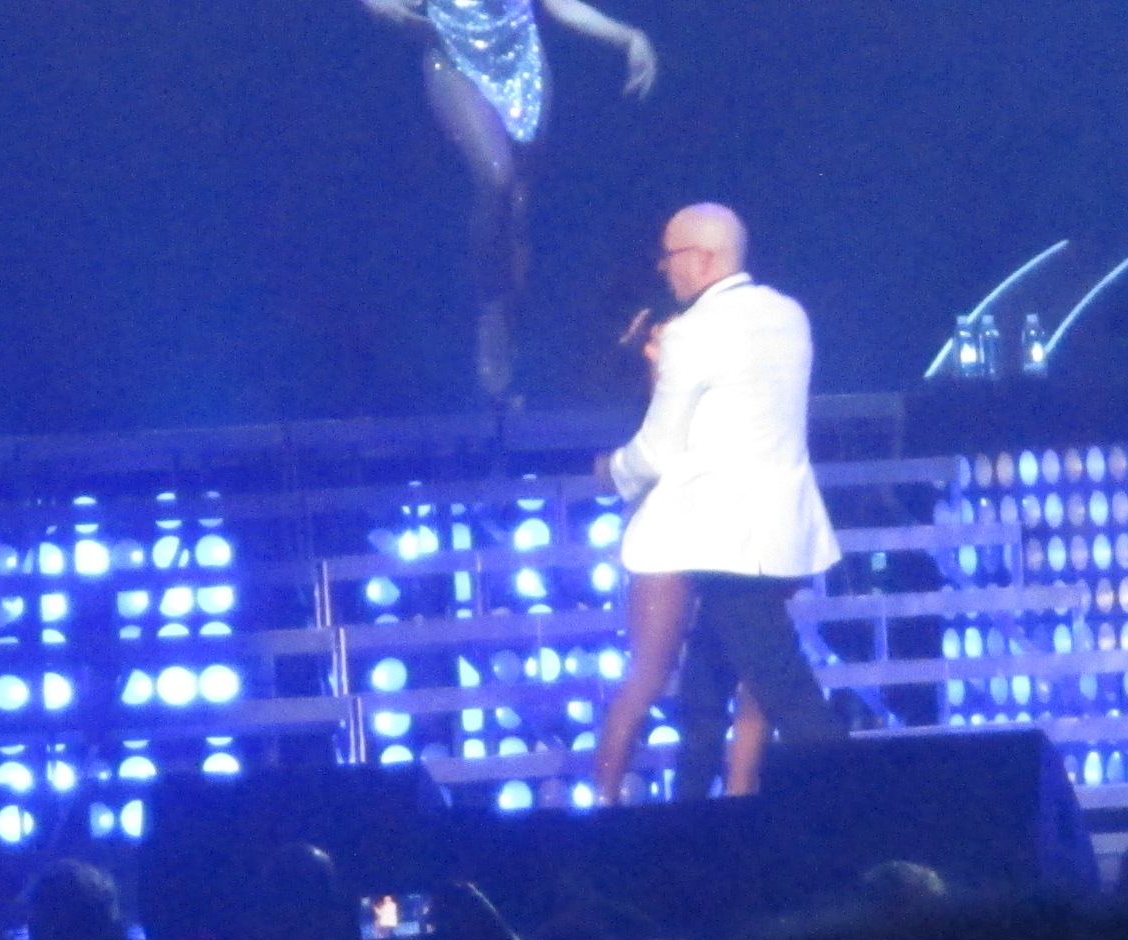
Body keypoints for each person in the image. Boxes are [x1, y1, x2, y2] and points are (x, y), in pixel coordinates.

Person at [594, 203, 846, 803]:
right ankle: (701, 810)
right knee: (710, 690)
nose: (664, 270)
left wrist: (611, 471)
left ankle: (855, 806)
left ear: (705, 259)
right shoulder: (789, 315)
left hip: (722, 542)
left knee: (784, 689)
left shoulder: (693, 332)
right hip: (780, 534)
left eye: (670, 256)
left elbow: (657, 449)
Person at [359, 0, 657, 399]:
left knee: (517, 208)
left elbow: (560, 5)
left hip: (520, 63)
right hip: (456, 59)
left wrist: (628, 37)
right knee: (496, 177)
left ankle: (513, 341)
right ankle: (490, 307)